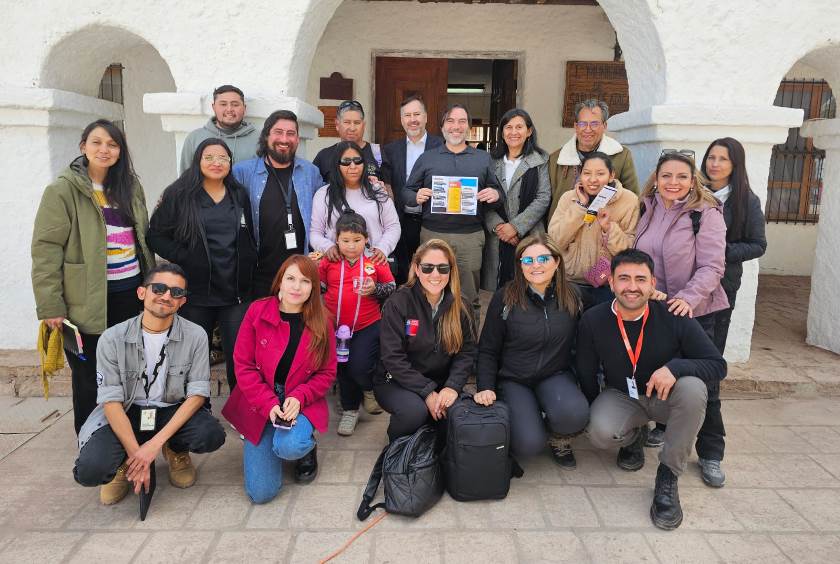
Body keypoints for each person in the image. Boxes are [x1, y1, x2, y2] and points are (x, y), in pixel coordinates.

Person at [578, 249, 726, 530]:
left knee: (693, 389)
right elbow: (586, 371)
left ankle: (668, 475)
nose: (631, 287)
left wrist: (676, 369)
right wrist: (593, 407)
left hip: (665, 399)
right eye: (623, 278)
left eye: (640, 279)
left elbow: (717, 365)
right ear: (611, 283)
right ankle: (633, 436)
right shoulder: (593, 320)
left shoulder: (673, 313)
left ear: (652, 283)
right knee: (599, 432)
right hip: (623, 395)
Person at [32, 119, 155, 435]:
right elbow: (46, 250)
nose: (104, 150)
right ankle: (92, 442)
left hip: (130, 293)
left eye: (112, 144)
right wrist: (50, 306)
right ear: (83, 146)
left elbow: (140, 237)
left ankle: (130, 437)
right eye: (97, 142)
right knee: (89, 375)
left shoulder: (129, 186)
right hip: (84, 301)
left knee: (131, 368)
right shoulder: (63, 190)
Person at [73, 263, 226, 505]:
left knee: (210, 435)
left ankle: (174, 449)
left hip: (168, 409)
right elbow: (111, 402)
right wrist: (138, 456)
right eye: (159, 288)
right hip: (126, 411)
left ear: (182, 302)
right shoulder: (112, 338)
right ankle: (124, 463)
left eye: (176, 293)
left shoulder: (196, 335)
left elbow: (197, 395)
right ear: (142, 292)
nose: (166, 296)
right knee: (91, 471)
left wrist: (154, 445)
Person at [680, 137, 766, 488]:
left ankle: (711, 450)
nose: (714, 164)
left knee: (708, 367)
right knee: (667, 359)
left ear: (735, 164)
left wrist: (716, 252)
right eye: (711, 157)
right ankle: (661, 426)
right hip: (679, 291)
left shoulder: (746, 200)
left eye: (723, 159)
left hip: (718, 293)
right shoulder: (688, 193)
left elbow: (757, 244)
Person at [633, 150, 729, 462]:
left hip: (696, 310)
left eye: (681, 176)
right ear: (656, 179)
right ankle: (664, 425)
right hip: (656, 309)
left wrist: (686, 299)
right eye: (666, 176)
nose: (673, 182)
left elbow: (713, 267)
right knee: (659, 369)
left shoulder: (706, 213)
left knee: (706, 385)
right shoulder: (646, 207)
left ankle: (711, 452)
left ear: (692, 181)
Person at [222, 255, 337, 502]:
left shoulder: (323, 320)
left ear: (313, 287)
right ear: (280, 283)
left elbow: (327, 373)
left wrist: (300, 396)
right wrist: (269, 404)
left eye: (305, 281)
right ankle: (272, 443)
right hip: (260, 398)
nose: (297, 287)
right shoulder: (257, 311)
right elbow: (243, 365)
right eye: (291, 278)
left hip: (299, 398)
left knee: (290, 446)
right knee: (261, 494)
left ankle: (302, 446)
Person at [148, 138, 258, 391]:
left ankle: (240, 412)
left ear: (230, 163)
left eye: (223, 158)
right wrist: (185, 256)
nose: (216, 163)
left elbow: (248, 234)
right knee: (194, 357)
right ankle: (196, 409)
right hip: (196, 293)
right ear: (198, 160)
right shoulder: (179, 194)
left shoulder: (238, 194)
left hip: (235, 293)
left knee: (240, 359)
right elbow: (155, 235)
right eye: (209, 157)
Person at [475, 234, 588, 469]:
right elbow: (487, 348)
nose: (536, 265)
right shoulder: (505, 298)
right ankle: (529, 418)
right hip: (514, 379)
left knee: (575, 414)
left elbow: (608, 315)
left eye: (543, 258)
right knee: (528, 444)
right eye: (528, 261)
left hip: (554, 375)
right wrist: (485, 386)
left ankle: (559, 438)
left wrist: (652, 297)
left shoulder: (573, 296)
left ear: (557, 262)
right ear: (519, 266)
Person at [404, 104, 504, 326]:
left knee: (468, 296)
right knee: (429, 291)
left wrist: (494, 193)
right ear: (441, 127)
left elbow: (500, 196)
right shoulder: (427, 158)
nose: (456, 127)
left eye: (461, 121)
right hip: (432, 234)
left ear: (468, 127)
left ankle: (468, 351)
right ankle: (430, 345)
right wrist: (415, 196)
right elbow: (406, 191)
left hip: (470, 236)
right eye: (450, 121)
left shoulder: (482, 158)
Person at [374, 239, 477, 441]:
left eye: (442, 268)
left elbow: (467, 352)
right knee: (415, 412)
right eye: (428, 268)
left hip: (441, 382)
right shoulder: (398, 302)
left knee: (458, 417)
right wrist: (428, 392)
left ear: (451, 270)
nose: (435, 275)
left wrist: (452, 386)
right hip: (395, 382)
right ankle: (396, 450)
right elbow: (392, 357)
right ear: (416, 269)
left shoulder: (461, 304)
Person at [318, 213, 396, 435]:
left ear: (367, 239)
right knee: (342, 368)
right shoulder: (329, 261)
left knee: (359, 365)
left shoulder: (375, 261)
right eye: (345, 241)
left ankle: (369, 389)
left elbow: (391, 286)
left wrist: (375, 289)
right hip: (335, 327)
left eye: (357, 240)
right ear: (336, 240)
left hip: (367, 325)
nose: (351, 246)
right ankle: (350, 411)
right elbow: (319, 286)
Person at [233, 110, 322, 298]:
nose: (284, 139)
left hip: (300, 273)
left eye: (291, 134)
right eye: (278, 132)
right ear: (266, 136)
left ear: (298, 139)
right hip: (259, 272)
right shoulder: (243, 172)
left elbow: (327, 208)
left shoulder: (310, 172)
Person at [548, 152, 639, 309]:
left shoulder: (628, 200)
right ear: (580, 175)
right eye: (587, 173)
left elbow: (629, 249)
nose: (592, 179)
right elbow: (555, 241)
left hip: (607, 283)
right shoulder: (568, 198)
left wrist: (609, 228)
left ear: (612, 175)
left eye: (600, 173)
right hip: (570, 281)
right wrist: (579, 208)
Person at [481, 108, 551, 291]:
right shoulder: (489, 161)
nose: (513, 132)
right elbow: (482, 198)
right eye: (508, 127)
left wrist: (516, 227)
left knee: (531, 285)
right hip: (497, 237)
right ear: (502, 132)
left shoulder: (540, 161)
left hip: (530, 233)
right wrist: (499, 227)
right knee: (495, 290)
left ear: (529, 131)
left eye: (519, 127)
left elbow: (543, 198)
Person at [382, 95, 445, 284]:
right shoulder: (391, 150)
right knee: (403, 272)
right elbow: (387, 185)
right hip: (401, 220)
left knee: (430, 269)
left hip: (431, 221)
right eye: (407, 115)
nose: (413, 119)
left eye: (417, 114)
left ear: (426, 117)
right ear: (402, 120)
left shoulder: (441, 146)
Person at [309, 141, 401, 266]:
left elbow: (393, 226)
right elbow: (315, 232)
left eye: (357, 161)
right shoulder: (323, 194)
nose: (353, 166)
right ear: (337, 164)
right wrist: (327, 247)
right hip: (335, 266)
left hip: (372, 265)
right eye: (346, 161)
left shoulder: (377, 191)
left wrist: (383, 248)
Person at [547, 99, 639, 220]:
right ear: (575, 126)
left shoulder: (621, 156)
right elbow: (546, 201)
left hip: (604, 229)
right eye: (582, 124)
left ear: (604, 126)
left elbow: (632, 197)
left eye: (594, 124)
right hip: (563, 230)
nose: (588, 129)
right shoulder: (556, 159)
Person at [180, 85, 259, 173]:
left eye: (235, 105)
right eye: (223, 104)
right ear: (214, 107)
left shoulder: (259, 139)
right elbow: (185, 180)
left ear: (244, 108)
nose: (229, 109)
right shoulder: (194, 138)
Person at [312, 100, 386, 184]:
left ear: (364, 125)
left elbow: (388, 190)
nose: (352, 128)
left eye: (357, 123)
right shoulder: (324, 156)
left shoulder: (378, 153)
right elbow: (314, 190)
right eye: (347, 122)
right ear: (337, 124)